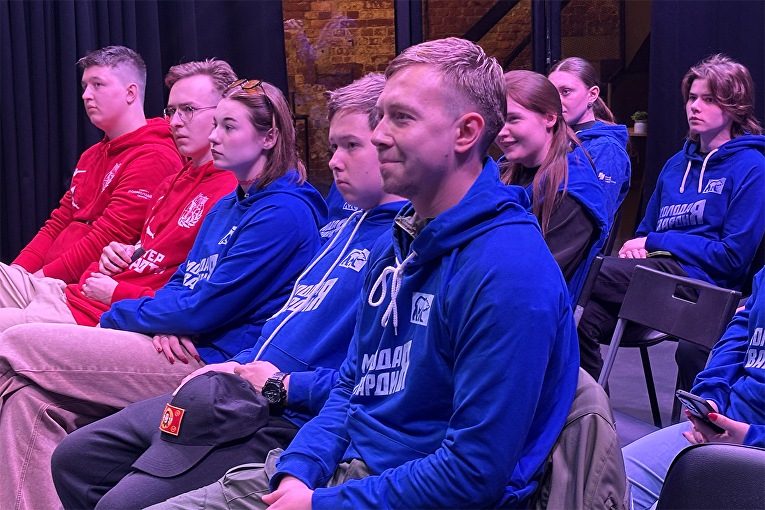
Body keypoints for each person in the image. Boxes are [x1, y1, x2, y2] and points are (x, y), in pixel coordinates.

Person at [143, 36, 579, 510]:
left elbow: (473, 475)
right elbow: (354, 386)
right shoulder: (401, 240)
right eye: (381, 116)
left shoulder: (509, 270)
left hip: (405, 492)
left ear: (466, 133)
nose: (379, 136)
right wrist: (299, 470)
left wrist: (318, 502)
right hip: (343, 471)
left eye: (402, 118)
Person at [51, 72, 407, 510]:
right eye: (333, 146)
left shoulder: (348, 230)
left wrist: (120, 309)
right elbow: (197, 289)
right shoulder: (337, 226)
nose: (333, 161)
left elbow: (366, 381)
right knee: (74, 457)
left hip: (279, 408)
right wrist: (232, 360)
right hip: (235, 377)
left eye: (351, 146)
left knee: (16, 350)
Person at [0, 77, 326, 510]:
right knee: (29, 401)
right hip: (171, 341)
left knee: (12, 342)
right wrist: (165, 319)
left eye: (229, 126)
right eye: (216, 124)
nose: (214, 136)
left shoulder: (284, 212)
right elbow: (181, 286)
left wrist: (118, 313)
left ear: (269, 137)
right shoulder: (227, 205)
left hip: (211, 363)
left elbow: (203, 310)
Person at [0, 59, 238, 331]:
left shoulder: (219, 185)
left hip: (101, 303)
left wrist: (126, 297)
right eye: (172, 111)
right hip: (83, 293)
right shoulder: (170, 183)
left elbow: (194, 293)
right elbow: (139, 251)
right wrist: (21, 273)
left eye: (188, 110)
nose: (175, 121)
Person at [578, 54, 765, 382]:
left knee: (582, 272)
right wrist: (642, 245)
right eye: (692, 98)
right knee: (579, 320)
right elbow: (644, 231)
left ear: (735, 107)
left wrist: (656, 242)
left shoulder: (752, 167)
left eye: (708, 99)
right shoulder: (676, 165)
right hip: (653, 280)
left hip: (703, 290)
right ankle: (592, 408)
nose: (695, 107)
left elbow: (732, 258)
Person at [2, 46, 183, 294]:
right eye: (85, 86)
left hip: (81, 289)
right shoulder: (91, 155)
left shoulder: (154, 156)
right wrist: (17, 272)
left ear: (130, 93)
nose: (86, 95)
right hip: (47, 281)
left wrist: (34, 283)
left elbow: (108, 238)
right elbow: (58, 223)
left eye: (97, 85)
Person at [622, 266, 765, 510]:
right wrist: (711, 396)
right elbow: (743, 329)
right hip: (723, 426)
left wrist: (753, 440)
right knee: (600, 484)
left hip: (753, 446)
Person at [496, 70, 608, 305]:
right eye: (497, 121)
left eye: (513, 119)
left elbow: (529, 282)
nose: (501, 132)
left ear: (549, 118)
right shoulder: (504, 169)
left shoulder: (572, 191)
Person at [549, 57, 631, 222]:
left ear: (592, 94)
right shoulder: (548, 138)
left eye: (566, 91)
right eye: (551, 93)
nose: (556, 101)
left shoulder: (606, 148)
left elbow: (592, 217)